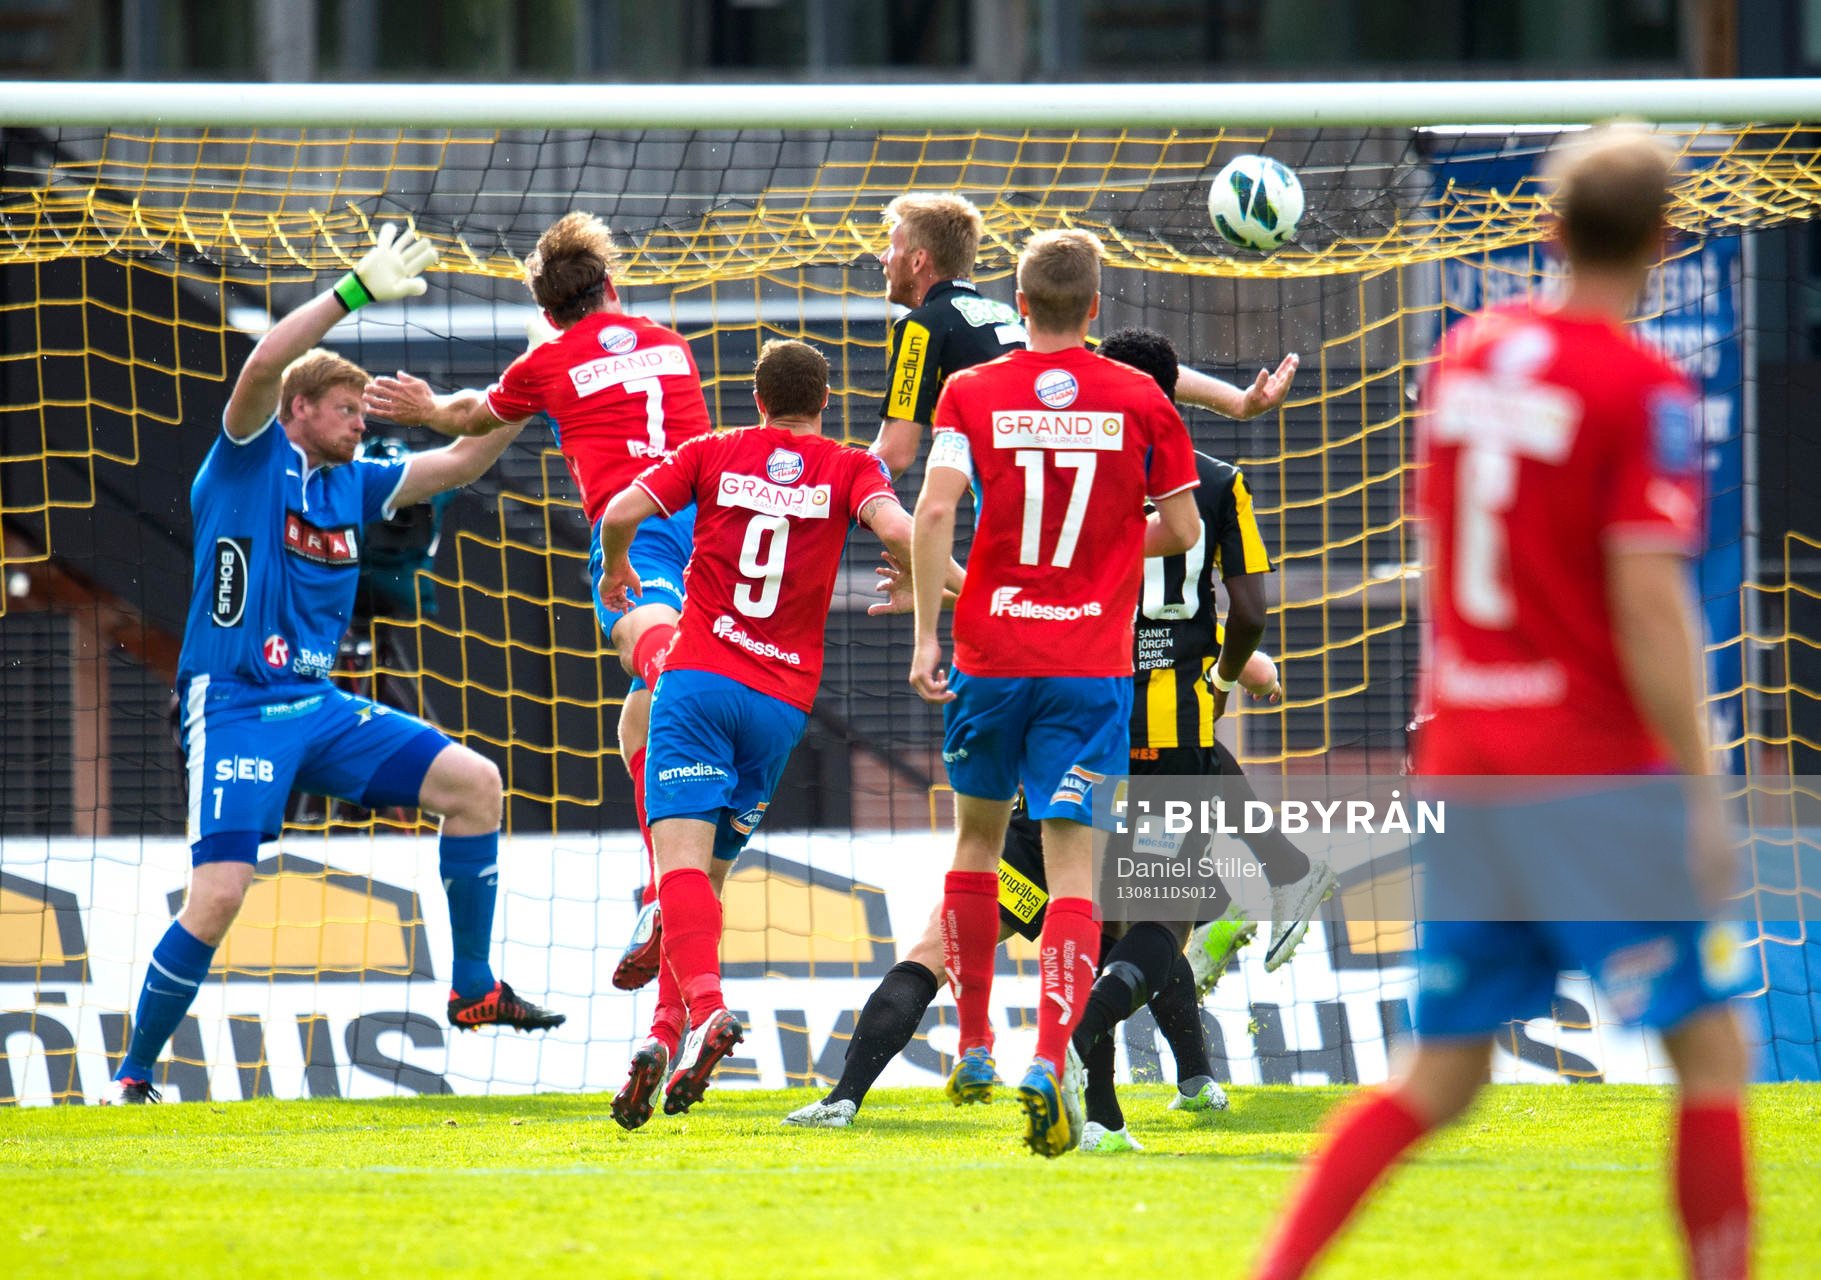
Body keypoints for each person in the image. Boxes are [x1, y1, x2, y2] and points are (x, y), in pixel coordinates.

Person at [1249, 126, 1752, 1280]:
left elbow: (1450, 555)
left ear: (1548, 229)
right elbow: (1648, 602)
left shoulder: (1468, 358)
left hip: (1473, 758)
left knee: (1441, 1075)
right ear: (1667, 239)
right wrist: (1703, 782)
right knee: (1713, 1053)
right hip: (1590, 770)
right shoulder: (1642, 387)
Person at [781, 327, 1307, 1145]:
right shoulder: (1207, 485)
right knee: (1136, 923)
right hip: (1144, 744)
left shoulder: (1056, 479)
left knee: (962, 930)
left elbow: (1016, 591)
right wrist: (1233, 670)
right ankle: (1095, 1073)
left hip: (1042, 749)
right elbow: (1238, 611)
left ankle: (859, 1090)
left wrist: (941, 594)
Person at [105, 225, 561, 1105]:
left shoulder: (356, 483)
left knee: (476, 786)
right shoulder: (247, 458)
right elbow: (262, 363)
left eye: (363, 411)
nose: (362, 422)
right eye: (348, 409)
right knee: (220, 896)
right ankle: (132, 1076)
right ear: (301, 410)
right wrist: (352, 290)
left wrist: (531, 383)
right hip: (234, 705)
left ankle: (473, 988)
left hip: (316, 706)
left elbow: (462, 458)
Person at [364, 210, 710, 1048]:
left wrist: (425, 406)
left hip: (637, 527)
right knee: (638, 720)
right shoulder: (671, 344)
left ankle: (674, 879)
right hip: (714, 522)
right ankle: (665, 900)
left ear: (547, 310)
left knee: (650, 654)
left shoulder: (548, 362)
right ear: (612, 285)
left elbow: (471, 421)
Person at [908, 228, 1202, 1157]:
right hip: (1087, 668)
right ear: (1096, 308)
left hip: (990, 654)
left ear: (1020, 305)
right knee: (1076, 871)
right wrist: (1110, 553)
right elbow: (1182, 528)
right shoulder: (1141, 400)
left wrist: (926, 632)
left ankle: (974, 1045)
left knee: (976, 844)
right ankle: (1048, 1058)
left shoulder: (969, 389)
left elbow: (934, 509)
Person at [594, 339, 928, 1127]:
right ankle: (664, 1032)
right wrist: (916, 578)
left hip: (700, 680)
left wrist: (614, 568)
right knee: (702, 884)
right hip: (780, 705)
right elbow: (900, 527)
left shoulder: (713, 451)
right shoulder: (849, 467)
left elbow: (619, 513)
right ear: (825, 402)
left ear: (756, 398)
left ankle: (706, 1009)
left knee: (678, 872)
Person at [870, 191, 1300, 479]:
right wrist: (1238, 402)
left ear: (918, 261)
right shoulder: (1005, 318)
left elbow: (895, 454)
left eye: (892, 247)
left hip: (1021, 521)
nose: (882, 257)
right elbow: (1124, 363)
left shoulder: (920, 326)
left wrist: (838, 484)